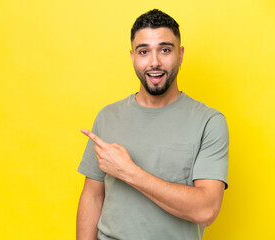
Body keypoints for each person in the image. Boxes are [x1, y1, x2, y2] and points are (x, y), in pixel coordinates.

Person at [76, 9, 229, 240]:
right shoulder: (107, 117)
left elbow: (206, 210)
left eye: (165, 50)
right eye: (144, 51)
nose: (154, 62)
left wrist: (129, 172)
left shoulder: (209, 122)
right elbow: (93, 197)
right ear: (132, 56)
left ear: (180, 54)